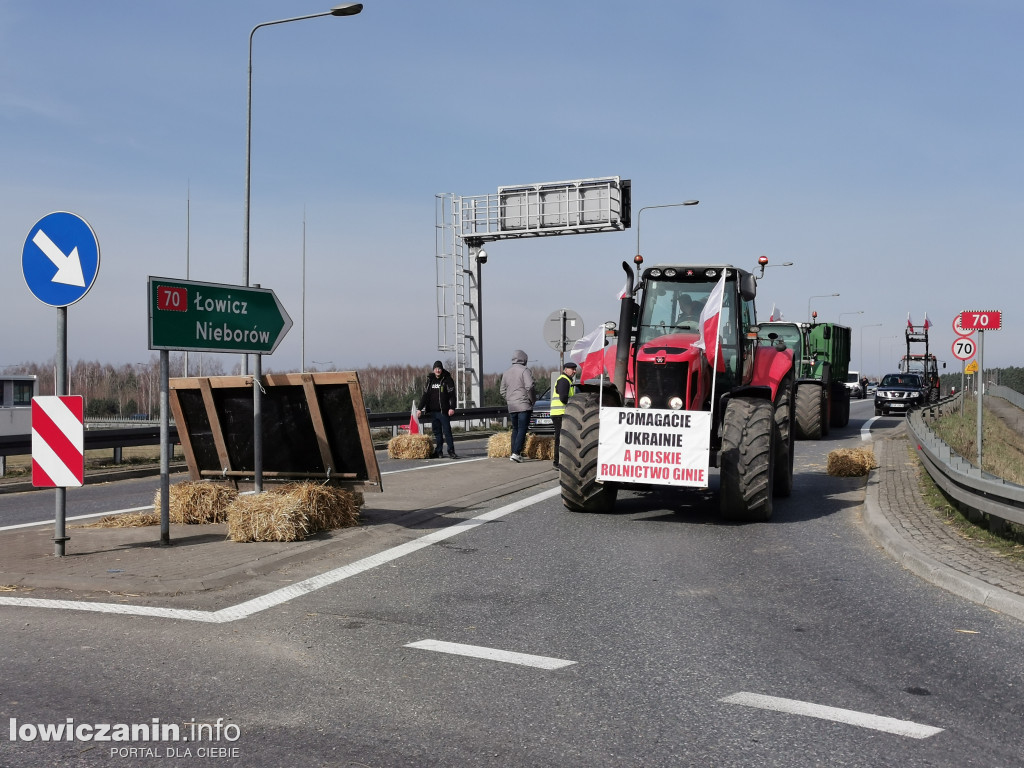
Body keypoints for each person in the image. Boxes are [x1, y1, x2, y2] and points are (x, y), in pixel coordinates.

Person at [499, 349, 535, 463]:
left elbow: (502, 390)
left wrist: (510, 399)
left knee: (515, 428)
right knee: (522, 429)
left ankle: (513, 452)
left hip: (512, 405)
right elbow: (529, 386)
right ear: (524, 359)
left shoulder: (506, 372)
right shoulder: (525, 371)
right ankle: (516, 453)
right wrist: (532, 400)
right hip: (523, 404)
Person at [417, 361, 459, 459]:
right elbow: (425, 395)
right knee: (437, 432)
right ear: (433, 369)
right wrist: (419, 408)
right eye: (436, 368)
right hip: (433, 412)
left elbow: (452, 396)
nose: (438, 370)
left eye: (439, 368)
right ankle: (438, 451)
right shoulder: (430, 380)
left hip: (444, 412)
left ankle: (451, 451)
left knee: (447, 431)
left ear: (442, 369)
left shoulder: (447, 380)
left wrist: (452, 407)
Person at [549, 361, 577, 469]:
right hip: (559, 413)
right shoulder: (564, 380)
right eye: (572, 369)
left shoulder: (567, 380)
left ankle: (559, 461)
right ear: (565, 369)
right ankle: (557, 462)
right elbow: (563, 398)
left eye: (575, 369)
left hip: (560, 413)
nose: (574, 371)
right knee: (560, 439)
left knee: (561, 438)